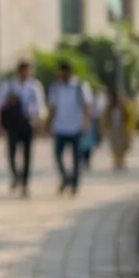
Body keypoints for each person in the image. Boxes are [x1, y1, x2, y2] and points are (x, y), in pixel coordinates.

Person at [0, 60, 46, 197]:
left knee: (27, 155)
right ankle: (15, 175)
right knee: (11, 153)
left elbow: (40, 107)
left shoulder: (35, 87)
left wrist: (39, 123)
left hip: (28, 122)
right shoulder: (9, 86)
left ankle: (25, 183)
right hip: (13, 123)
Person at [47, 60, 92, 196]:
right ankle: (66, 178)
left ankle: (75, 185)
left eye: (67, 71)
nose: (64, 74)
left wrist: (86, 122)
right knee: (58, 156)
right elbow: (52, 107)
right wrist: (48, 123)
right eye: (62, 71)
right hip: (60, 127)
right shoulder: (55, 87)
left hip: (76, 127)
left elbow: (87, 106)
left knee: (76, 159)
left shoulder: (80, 86)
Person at [101, 86, 132, 171]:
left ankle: (121, 162)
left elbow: (127, 117)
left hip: (121, 129)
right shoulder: (109, 108)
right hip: (113, 130)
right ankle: (116, 163)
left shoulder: (122, 107)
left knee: (122, 147)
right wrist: (105, 129)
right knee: (114, 147)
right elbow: (106, 119)